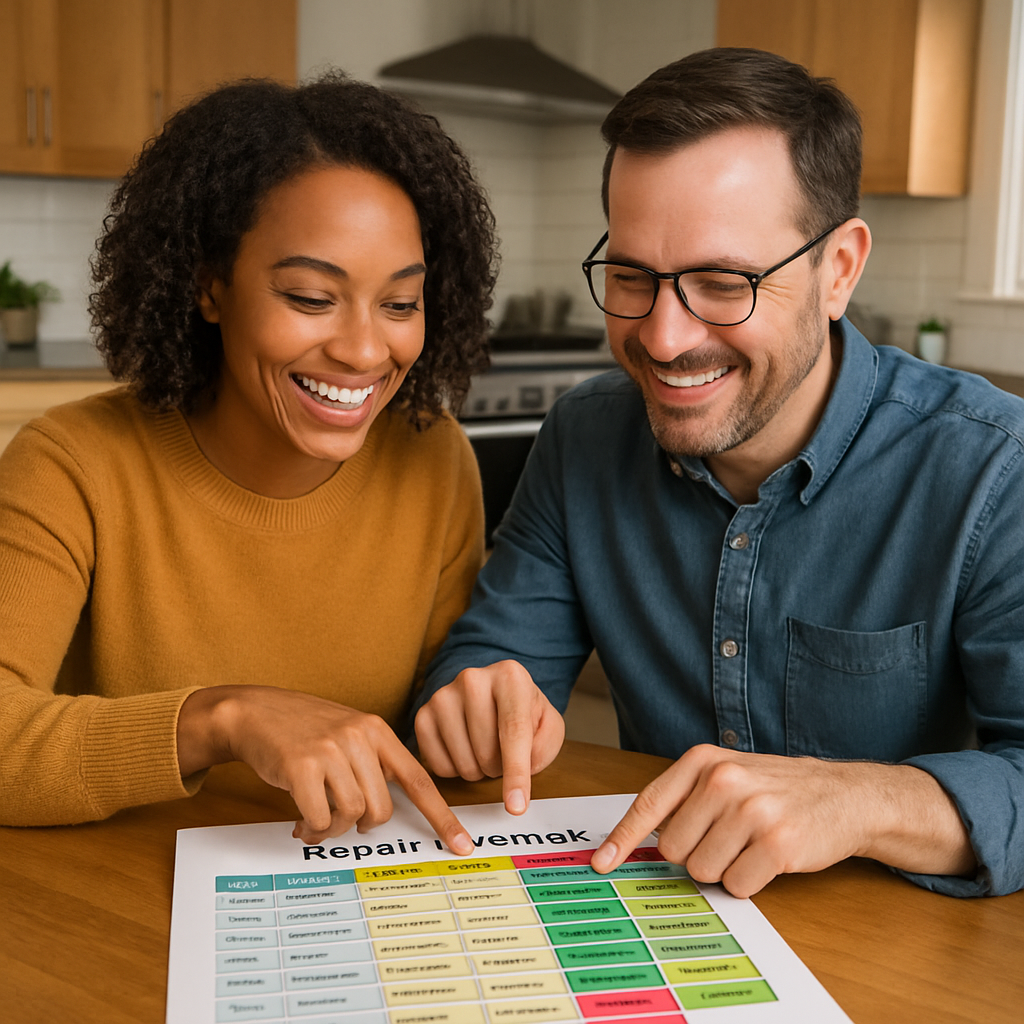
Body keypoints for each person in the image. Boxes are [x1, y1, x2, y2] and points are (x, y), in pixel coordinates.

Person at [413, 47, 1024, 898]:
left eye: (722, 281)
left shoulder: (995, 469)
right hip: (656, 923)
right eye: (631, 277)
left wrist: (860, 799)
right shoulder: (584, 436)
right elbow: (494, 658)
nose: (663, 339)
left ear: (839, 268)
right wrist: (475, 701)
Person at [0, 73, 498, 855]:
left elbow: (440, 715)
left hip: (355, 902)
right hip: (120, 906)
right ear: (210, 287)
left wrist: (482, 709)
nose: (367, 351)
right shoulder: (70, 467)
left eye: (400, 304)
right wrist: (221, 717)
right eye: (310, 296)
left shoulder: (435, 461)